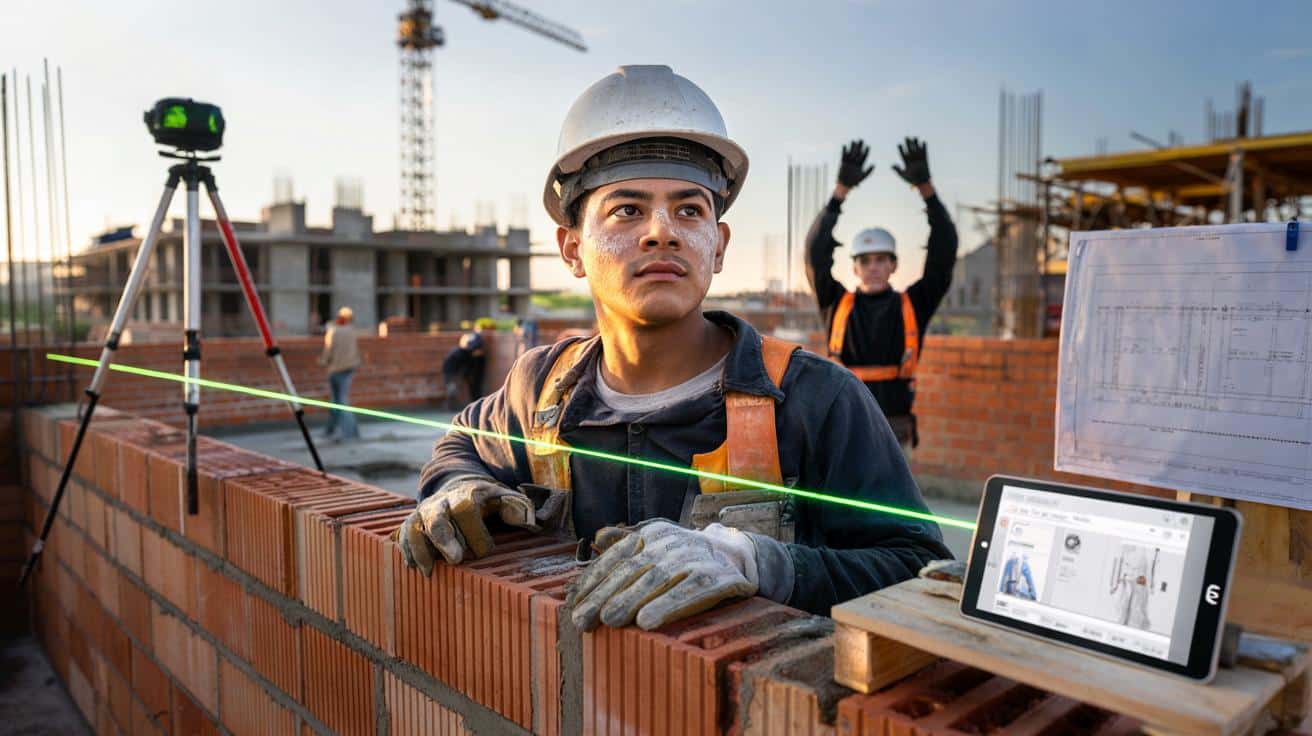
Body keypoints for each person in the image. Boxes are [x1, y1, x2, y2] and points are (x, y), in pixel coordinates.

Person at [394, 65, 950, 632]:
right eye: (627, 210)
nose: (663, 231)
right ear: (572, 249)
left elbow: (919, 568)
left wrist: (760, 562)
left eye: (689, 209)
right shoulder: (539, 386)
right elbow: (462, 439)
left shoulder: (813, 400)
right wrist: (457, 486)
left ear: (718, 246)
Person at [805, 138, 958, 449]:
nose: (872, 267)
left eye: (880, 260)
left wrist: (925, 189)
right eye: (865, 261)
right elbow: (815, 253)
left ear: (893, 265)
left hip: (894, 432)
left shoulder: (914, 304)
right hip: (842, 428)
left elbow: (944, 250)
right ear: (855, 268)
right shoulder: (836, 304)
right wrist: (839, 194)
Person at [318, 306, 361, 440]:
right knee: (337, 401)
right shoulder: (352, 331)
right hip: (348, 369)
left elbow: (328, 351)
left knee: (340, 401)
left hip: (336, 369)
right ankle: (331, 429)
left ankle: (351, 433)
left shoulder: (333, 331)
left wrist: (322, 361)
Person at [440, 331, 487, 410]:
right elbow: (460, 366)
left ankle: (452, 406)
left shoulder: (465, 352)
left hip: (453, 372)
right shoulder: (463, 353)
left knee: (455, 389)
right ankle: (450, 406)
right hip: (450, 372)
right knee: (452, 389)